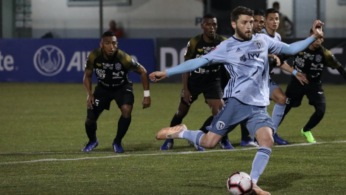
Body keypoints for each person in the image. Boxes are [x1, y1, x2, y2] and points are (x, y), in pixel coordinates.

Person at [150, 6, 323, 195]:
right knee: (209, 143)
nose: (249, 26)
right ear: (234, 24)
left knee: (267, 141)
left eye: (250, 22)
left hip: (258, 106)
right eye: (244, 22)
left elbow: (290, 48)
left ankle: (253, 184)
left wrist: (313, 37)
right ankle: (182, 132)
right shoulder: (227, 46)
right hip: (236, 102)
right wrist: (167, 72)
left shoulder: (262, 40)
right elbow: (198, 61)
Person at [159, 14, 235, 151]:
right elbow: (187, 66)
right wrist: (186, 89)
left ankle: (224, 140)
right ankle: (168, 140)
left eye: (214, 24)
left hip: (213, 81)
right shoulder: (194, 43)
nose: (212, 28)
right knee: (181, 112)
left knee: (219, 113)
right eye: (208, 24)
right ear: (202, 26)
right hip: (194, 82)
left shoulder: (223, 42)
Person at [281, 28, 346, 143]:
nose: (318, 40)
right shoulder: (299, 46)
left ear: (323, 39)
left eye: (321, 38)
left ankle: (306, 130)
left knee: (321, 111)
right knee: (284, 109)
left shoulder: (325, 54)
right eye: (316, 37)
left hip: (314, 85)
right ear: (310, 35)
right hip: (296, 83)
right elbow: (280, 58)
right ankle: (270, 132)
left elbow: (341, 69)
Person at [82, 31, 151, 153]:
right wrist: (90, 94)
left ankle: (117, 141)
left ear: (117, 44)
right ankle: (92, 140)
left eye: (114, 43)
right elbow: (87, 76)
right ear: (101, 44)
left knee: (126, 109)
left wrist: (147, 95)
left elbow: (143, 71)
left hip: (122, 87)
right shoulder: (94, 56)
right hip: (103, 88)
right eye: (107, 43)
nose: (111, 47)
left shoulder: (123, 58)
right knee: (90, 119)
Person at [260, 8, 290, 145]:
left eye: (276, 19)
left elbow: (280, 61)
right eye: (271, 19)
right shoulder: (260, 36)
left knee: (282, 98)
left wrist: (295, 72)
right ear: (265, 20)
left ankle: (272, 133)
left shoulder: (277, 37)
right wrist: (271, 56)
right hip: (253, 79)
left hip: (265, 79)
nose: (274, 22)